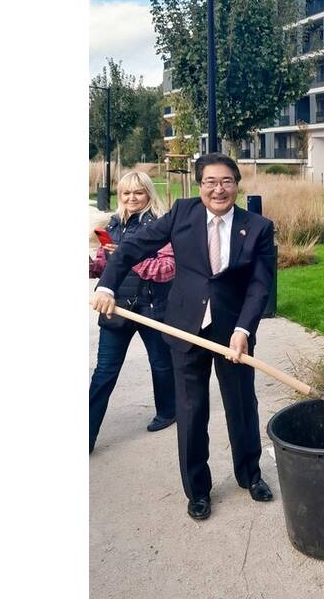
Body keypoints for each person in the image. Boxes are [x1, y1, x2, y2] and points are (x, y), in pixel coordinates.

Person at [91, 153, 275, 521]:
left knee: (241, 406)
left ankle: (250, 475)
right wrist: (107, 286)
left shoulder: (257, 227)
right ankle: (198, 490)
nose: (218, 189)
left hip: (232, 332)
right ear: (199, 185)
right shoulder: (182, 213)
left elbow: (260, 285)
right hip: (183, 327)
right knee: (191, 412)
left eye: (226, 181)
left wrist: (243, 330)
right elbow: (131, 248)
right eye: (210, 182)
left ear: (237, 185)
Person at [88, 171, 177, 454]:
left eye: (138, 192)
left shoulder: (162, 227)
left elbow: (167, 270)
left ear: (149, 194)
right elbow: (105, 268)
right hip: (116, 310)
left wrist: (128, 257)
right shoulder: (113, 226)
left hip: (151, 309)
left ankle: (168, 411)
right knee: (104, 372)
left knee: (161, 365)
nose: (131, 198)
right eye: (126, 193)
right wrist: (92, 264)